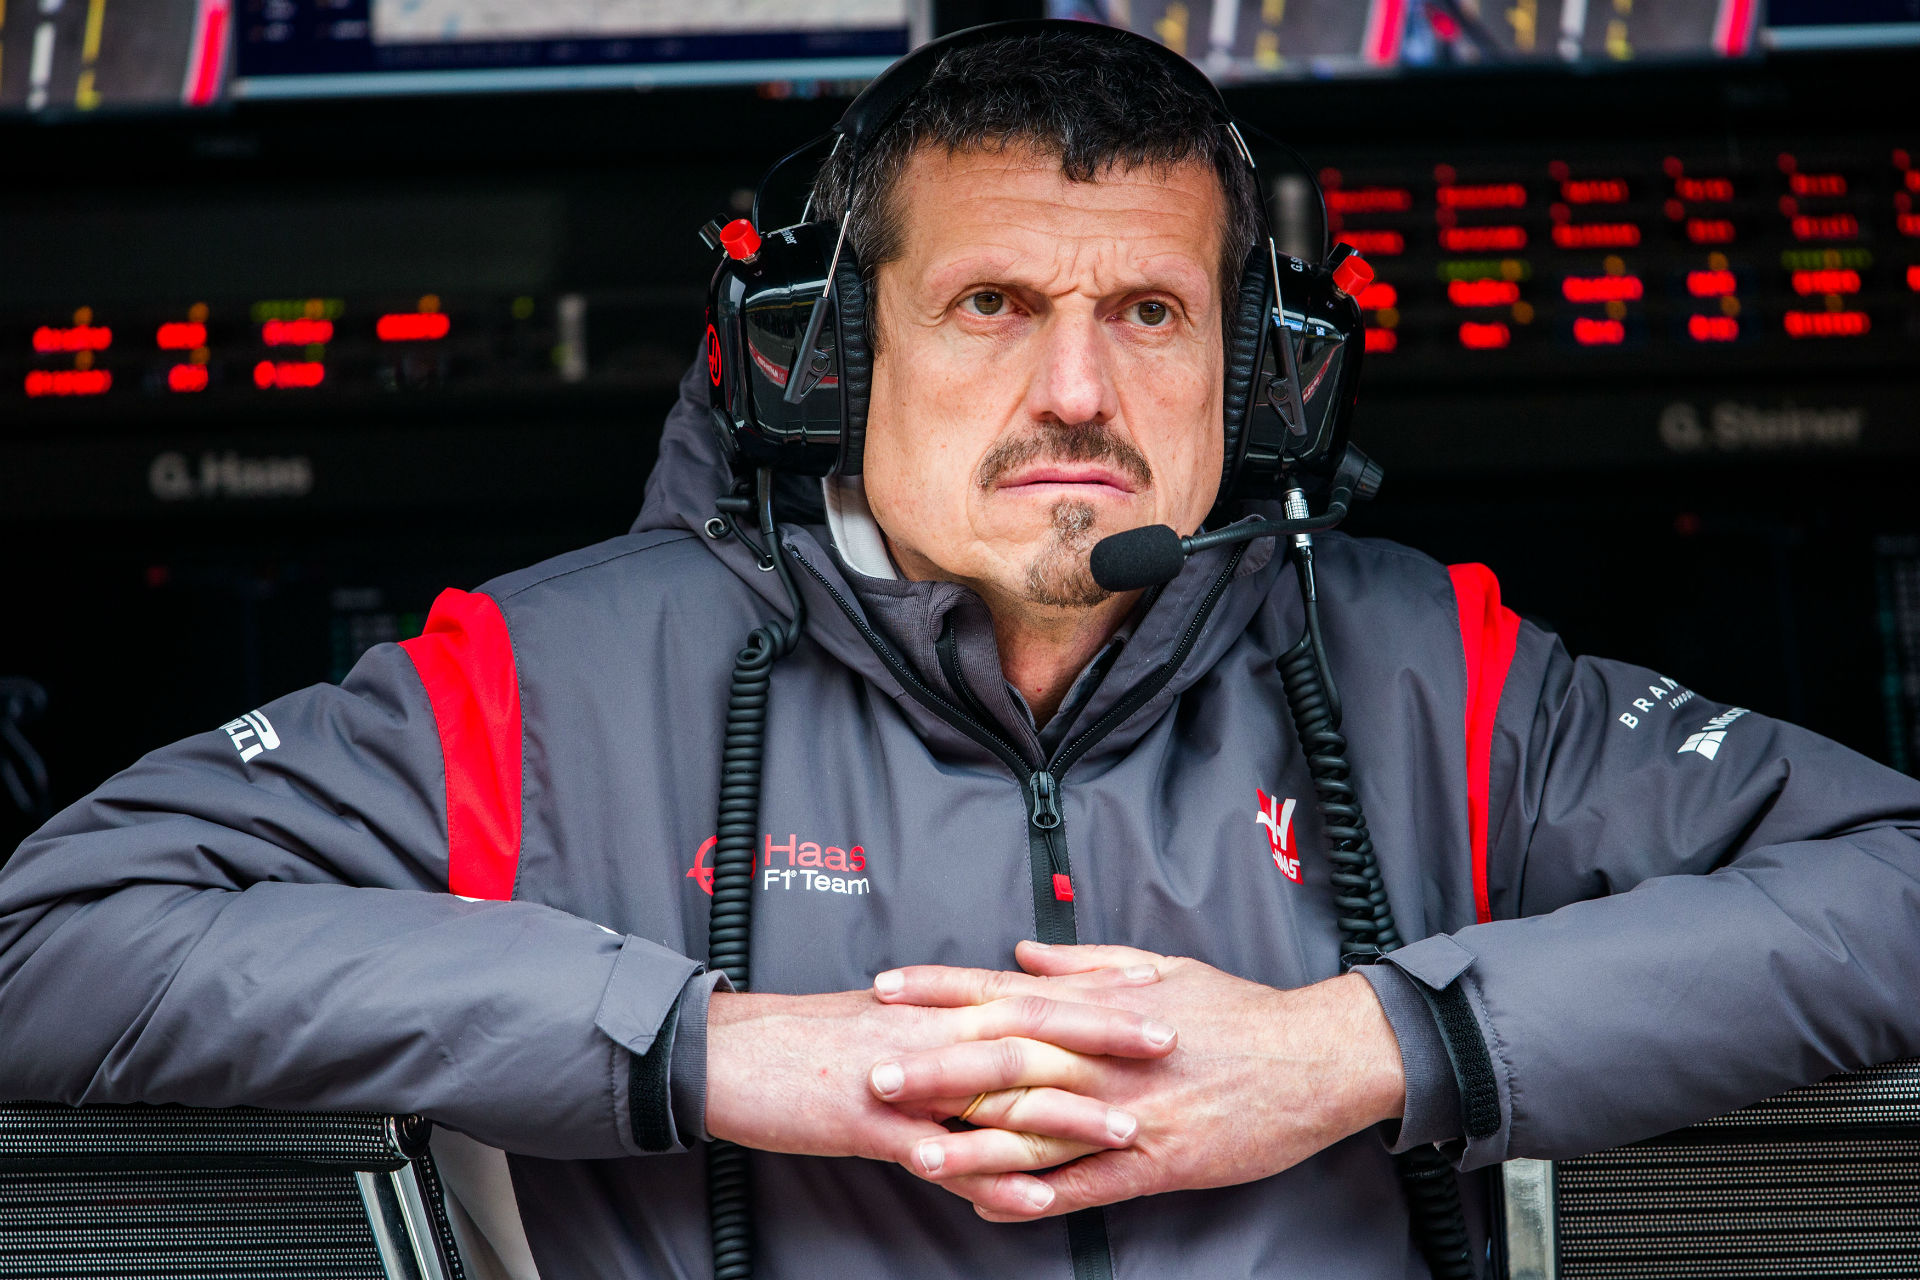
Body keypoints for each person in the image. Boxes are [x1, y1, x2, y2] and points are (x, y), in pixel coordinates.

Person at [3, 22, 1918, 1280]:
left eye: (1150, 313)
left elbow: (1894, 882)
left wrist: (1367, 1045)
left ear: (1257, 379)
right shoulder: (546, 684)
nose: (1077, 389)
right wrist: (691, 1047)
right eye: (992, 302)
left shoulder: (1438, 672)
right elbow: (52, 940)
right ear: (829, 360)